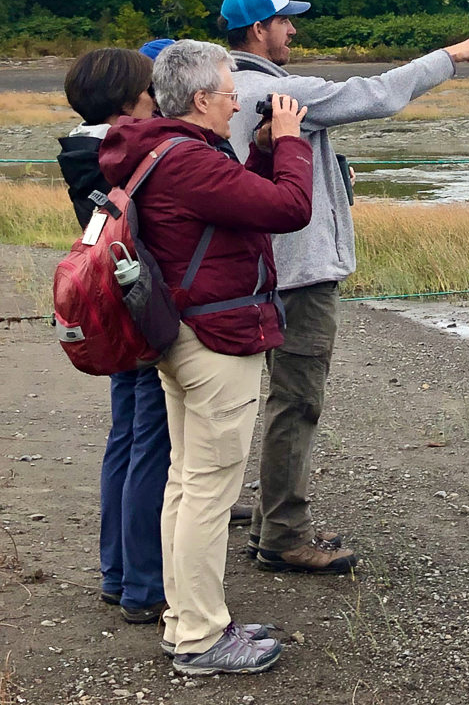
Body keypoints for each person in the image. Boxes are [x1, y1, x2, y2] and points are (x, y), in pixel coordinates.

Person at [219, 0, 469, 574]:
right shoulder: (277, 90)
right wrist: (449, 57)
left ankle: (270, 522)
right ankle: (284, 535)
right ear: (257, 31)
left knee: (263, 401)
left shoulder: (222, 89)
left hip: (249, 273)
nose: (293, 30)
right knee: (296, 403)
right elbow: (374, 95)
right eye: (284, 21)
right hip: (297, 274)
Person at [99, 40, 314, 676]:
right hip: (216, 339)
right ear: (200, 100)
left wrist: (265, 150)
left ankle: (187, 615)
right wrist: (294, 142)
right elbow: (288, 208)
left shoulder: (162, 151)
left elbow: (234, 198)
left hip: (181, 336)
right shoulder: (189, 161)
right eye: (229, 93)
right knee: (208, 491)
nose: (236, 103)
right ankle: (197, 636)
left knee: (186, 482)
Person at [57, 48, 170, 625]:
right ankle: (146, 586)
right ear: (128, 100)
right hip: (144, 315)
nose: (157, 99)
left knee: (125, 439)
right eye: (150, 90)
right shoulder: (124, 154)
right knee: (153, 444)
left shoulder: (80, 149)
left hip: (112, 313)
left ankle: (117, 573)